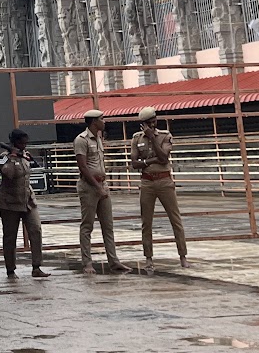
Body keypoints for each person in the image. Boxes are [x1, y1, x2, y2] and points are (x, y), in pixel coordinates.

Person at [74, 110, 130, 274]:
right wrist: (98, 187)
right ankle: (87, 263)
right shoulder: (81, 140)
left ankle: (113, 260)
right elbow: (83, 167)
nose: (104, 121)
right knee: (87, 225)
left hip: (101, 184)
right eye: (101, 119)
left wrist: (102, 186)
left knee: (108, 225)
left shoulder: (98, 138)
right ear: (93, 122)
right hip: (89, 186)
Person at [131, 107, 188, 270]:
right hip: (147, 182)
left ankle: (182, 256)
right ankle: (148, 258)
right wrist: (149, 161)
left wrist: (152, 139)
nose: (152, 125)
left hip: (164, 181)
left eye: (154, 121)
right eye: (149, 123)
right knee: (146, 222)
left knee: (175, 219)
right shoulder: (136, 138)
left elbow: (163, 158)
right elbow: (134, 163)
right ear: (143, 124)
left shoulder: (165, 135)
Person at [0, 129, 49, 279]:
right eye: (21, 143)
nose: (24, 145)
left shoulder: (25, 155)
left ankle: (36, 266)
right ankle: (10, 269)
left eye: (26, 143)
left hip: (27, 200)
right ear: (15, 142)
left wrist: (22, 156)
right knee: (10, 236)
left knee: (36, 230)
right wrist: (13, 157)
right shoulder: (4, 157)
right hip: (9, 202)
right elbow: (8, 174)